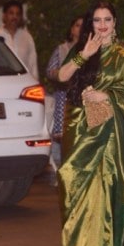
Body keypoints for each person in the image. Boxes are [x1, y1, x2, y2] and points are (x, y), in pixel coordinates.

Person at [56, 1, 124, 246]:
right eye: (97, 20)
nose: (102, 25)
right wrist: (84, 54)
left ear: (115, 23)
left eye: (107, 19)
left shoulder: (123, 56)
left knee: (103, 188)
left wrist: (107, 96)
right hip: (81, 127)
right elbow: (62, 76)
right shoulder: (83, 49)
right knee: (72, 179)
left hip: (109, 128)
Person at [46, 16, 83, 168]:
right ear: (71, 29)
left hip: (85, 100)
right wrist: (63, 75)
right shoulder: (62, 49)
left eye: (83, 26)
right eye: (77, 25)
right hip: (64, 98)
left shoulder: (92, 49)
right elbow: (50, 71)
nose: (80, 29)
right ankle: (64, 174)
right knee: (64, 139)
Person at [0, 0, 39, 80]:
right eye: (11, 13)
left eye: (18, 14)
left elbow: (33, 64)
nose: (15, 17)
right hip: (0, 81)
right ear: (4, 16)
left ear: (20, 17)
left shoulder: (27, 37)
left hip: (22, 83)